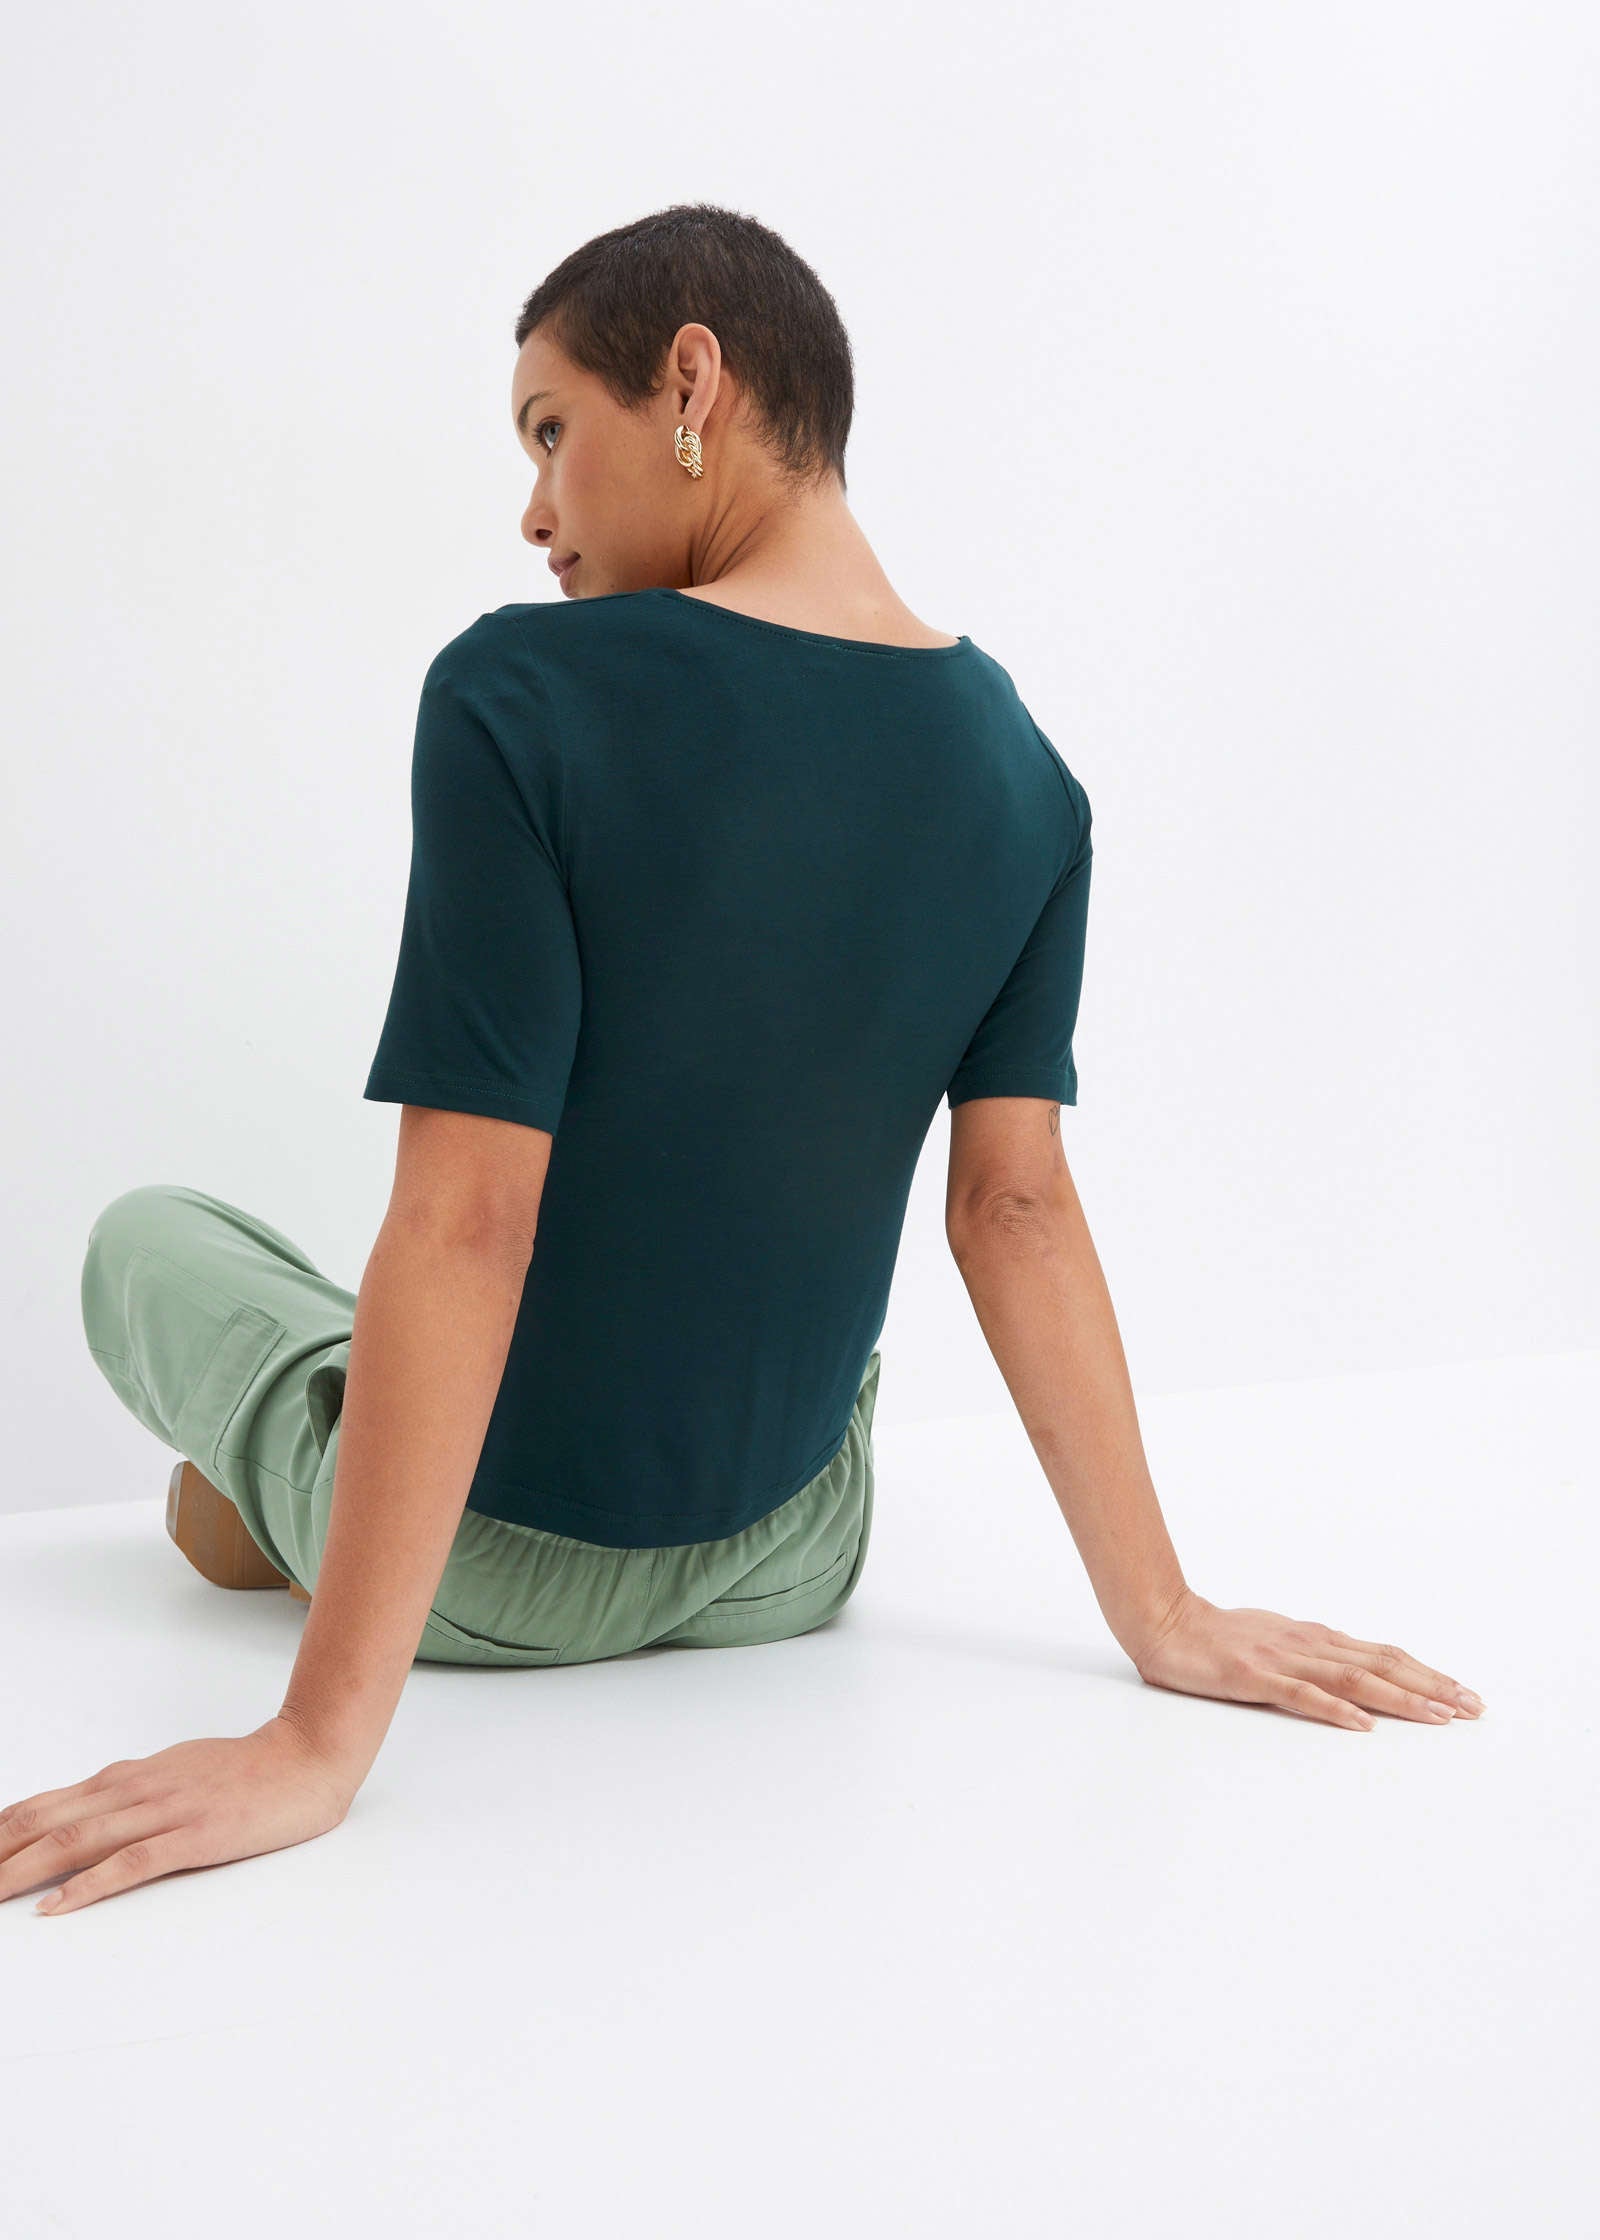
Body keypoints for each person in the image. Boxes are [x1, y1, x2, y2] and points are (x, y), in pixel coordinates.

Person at [9, 202, 1481, 1919]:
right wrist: (1164, 1613)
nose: (534, 509)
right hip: (796, 1557)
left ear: (691, 381)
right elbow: (1014, 1211)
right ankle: (311, 1465)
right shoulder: (1032, 781)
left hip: (492, 1579)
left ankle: (294, 1499)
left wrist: (317, 1745)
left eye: (551, 430)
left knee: (153, 1239)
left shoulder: (519, 694)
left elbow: (471, 1223)